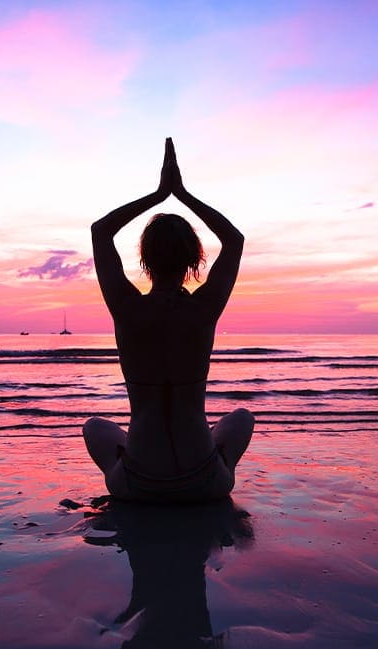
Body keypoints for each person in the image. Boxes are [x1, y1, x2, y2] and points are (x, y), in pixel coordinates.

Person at [83, 138, 254, 503]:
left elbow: (100, 231)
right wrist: (183, 194)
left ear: (144, 260)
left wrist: (159, 194)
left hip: (139, 484)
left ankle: (135, 456)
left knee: (95, 427)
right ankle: (217, 457)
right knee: (240, 418)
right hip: (205, 482)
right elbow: (234, 240)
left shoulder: (127, 308)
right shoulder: (203, 308)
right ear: (194, 261)